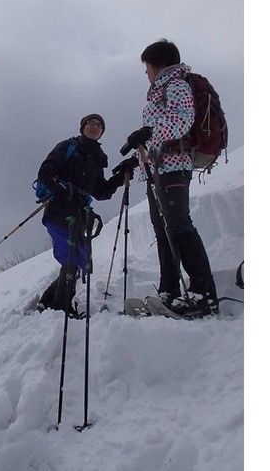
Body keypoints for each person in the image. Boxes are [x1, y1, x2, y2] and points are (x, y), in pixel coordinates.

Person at [122, 39, 219, 317]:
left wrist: (148, 133)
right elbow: (163, 130)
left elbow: (181, 120)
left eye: (147, 67)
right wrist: (139, 157)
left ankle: (204, 295)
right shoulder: (158, 92)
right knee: (164, 231)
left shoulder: (175, 85)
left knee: (178, 226)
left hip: (174, 166)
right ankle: (170, 291)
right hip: (158, 169)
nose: (146, 73)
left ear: (158, 64)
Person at [33, 114, 135, 315]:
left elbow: (101, 192)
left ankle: (47, 302)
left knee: (77, 260)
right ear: (83, 127)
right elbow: (45, 171)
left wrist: (120, 176)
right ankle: (61, 308)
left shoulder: (98, 158)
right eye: (91, 123)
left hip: (80, 214)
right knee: (70, 257)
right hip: (59, 209)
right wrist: (61, 187)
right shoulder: (67, 146)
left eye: (99, 125)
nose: (95, 127)